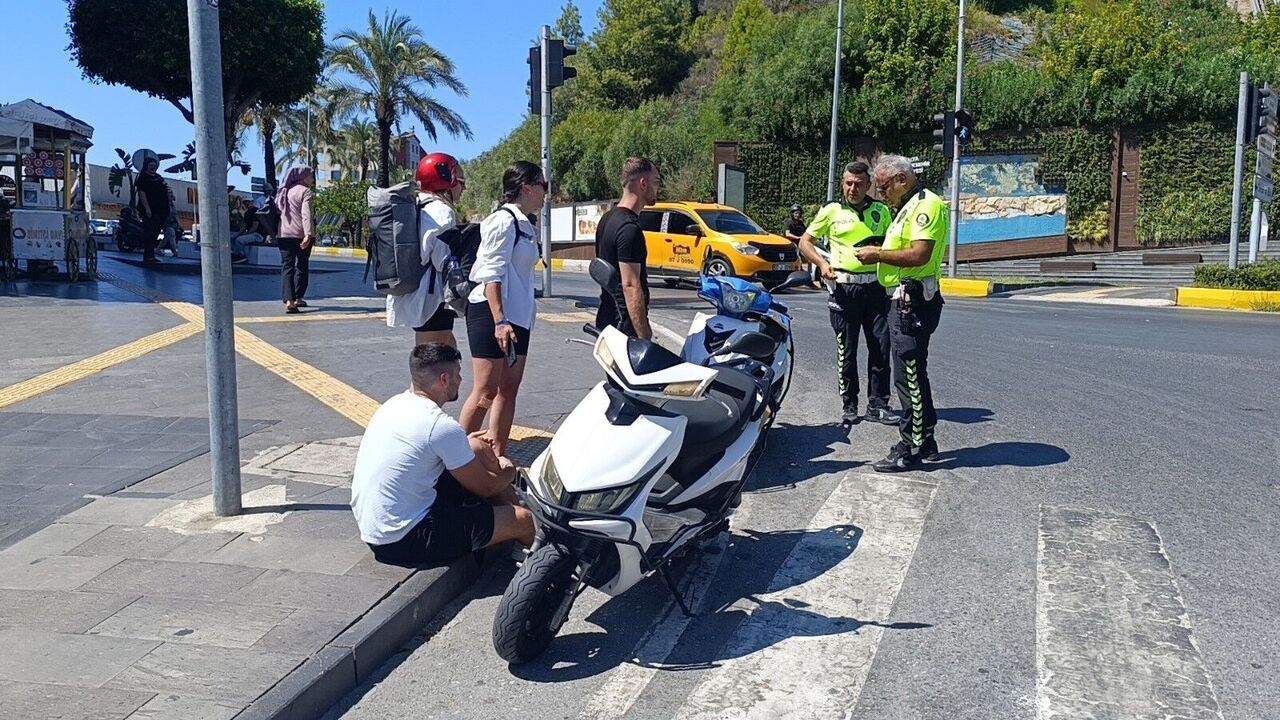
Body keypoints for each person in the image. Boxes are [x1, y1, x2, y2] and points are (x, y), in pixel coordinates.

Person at [351, 343, 535, 567]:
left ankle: (504, 523)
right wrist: (508, 469)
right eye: (458, 373)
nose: (461, 379)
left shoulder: (394, 404)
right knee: (524, 520)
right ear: (445, 379)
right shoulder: (439, 426)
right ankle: (540, 562)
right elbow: (487, 487)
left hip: (377, 533)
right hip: (409, 539)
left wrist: (468, 444)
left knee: (476, 448)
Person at [855, 155, 948, 472]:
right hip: (905, 299)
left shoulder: (925, 205)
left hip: (912, 302)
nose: (881, 195)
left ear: (901, 180)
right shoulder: (908, 206)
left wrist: (878, 254)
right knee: (914, 373)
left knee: (907, 377)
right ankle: (927, 440)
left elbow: (920, 254)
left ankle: (910, 447)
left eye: (883, 188)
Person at [798, 162, 897, 429]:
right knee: (847, 350)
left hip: (876, 288)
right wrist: (821, 264)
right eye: (848, 183)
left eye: (858, 184)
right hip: (844, 288)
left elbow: (891, 244)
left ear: (869, 186)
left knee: (881, 347)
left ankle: (878, 404)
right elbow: (805, 242)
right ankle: (849, 404)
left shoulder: (881, 211)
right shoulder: (832, 210)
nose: (852, 189)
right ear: (843, 184)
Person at [459, 161, 545, 457]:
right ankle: (455, 460)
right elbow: (491, 274)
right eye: (543, 185)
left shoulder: (526, 223)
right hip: (493, 314)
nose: (546, 192)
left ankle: (496, 456)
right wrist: (499, 321)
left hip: (518, 317)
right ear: (527, 187)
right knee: (486, 391)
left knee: (509, 389)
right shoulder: (503, 221)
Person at [387, 152, 466, 347]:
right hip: (432, 298)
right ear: (446, 181)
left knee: (447, 349)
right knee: (431, 359)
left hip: (411, 292)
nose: (463, 188)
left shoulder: (414, 204)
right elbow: (443, 261)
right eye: (461, 182)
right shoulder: (442, 211)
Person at [594, 157, 660, 339]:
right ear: (643, 184)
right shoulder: (629, 229)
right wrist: (644, 335)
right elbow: (630, 285)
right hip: (624, 328)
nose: (658, 188)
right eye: (656, 182)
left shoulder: (607, 219)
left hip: (606, 321)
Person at [276, 166, 316, 314]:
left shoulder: (284, 191)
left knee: (287, 267)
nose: (312, 180)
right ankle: (298, 297)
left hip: (283, 234)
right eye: (311, 176)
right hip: (300, 234)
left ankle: (289, 301)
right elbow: (306, 214)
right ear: (303, 177)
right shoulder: (305, 192)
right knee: (302, 266)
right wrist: (308, 234)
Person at [134, 158, 171, 264]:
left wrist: (169, 199)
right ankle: (148, 256)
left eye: (155, 166)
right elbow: (142, 193)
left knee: (156, 232)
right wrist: (147, 208)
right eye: (151, 165)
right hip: (150, 209)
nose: (153, 168)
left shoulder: (159, 177)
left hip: (161, 209)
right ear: (146, 166)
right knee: (150, 232)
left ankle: (152, 255)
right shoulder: (143, 178)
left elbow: (166, 189)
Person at [230, 197, 263, 263]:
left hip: (258, 235)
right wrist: (239, 233)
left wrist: (245, 234)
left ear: (252, 202)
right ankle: (235, 254)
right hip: (250, 234)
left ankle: (241, 256)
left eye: (248, 202)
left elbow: (254, 227)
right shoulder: (247, 213)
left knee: (239, 240)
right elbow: (244, 226)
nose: (247, 204)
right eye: (245, 202)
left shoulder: (257, 211)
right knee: (231, 237)